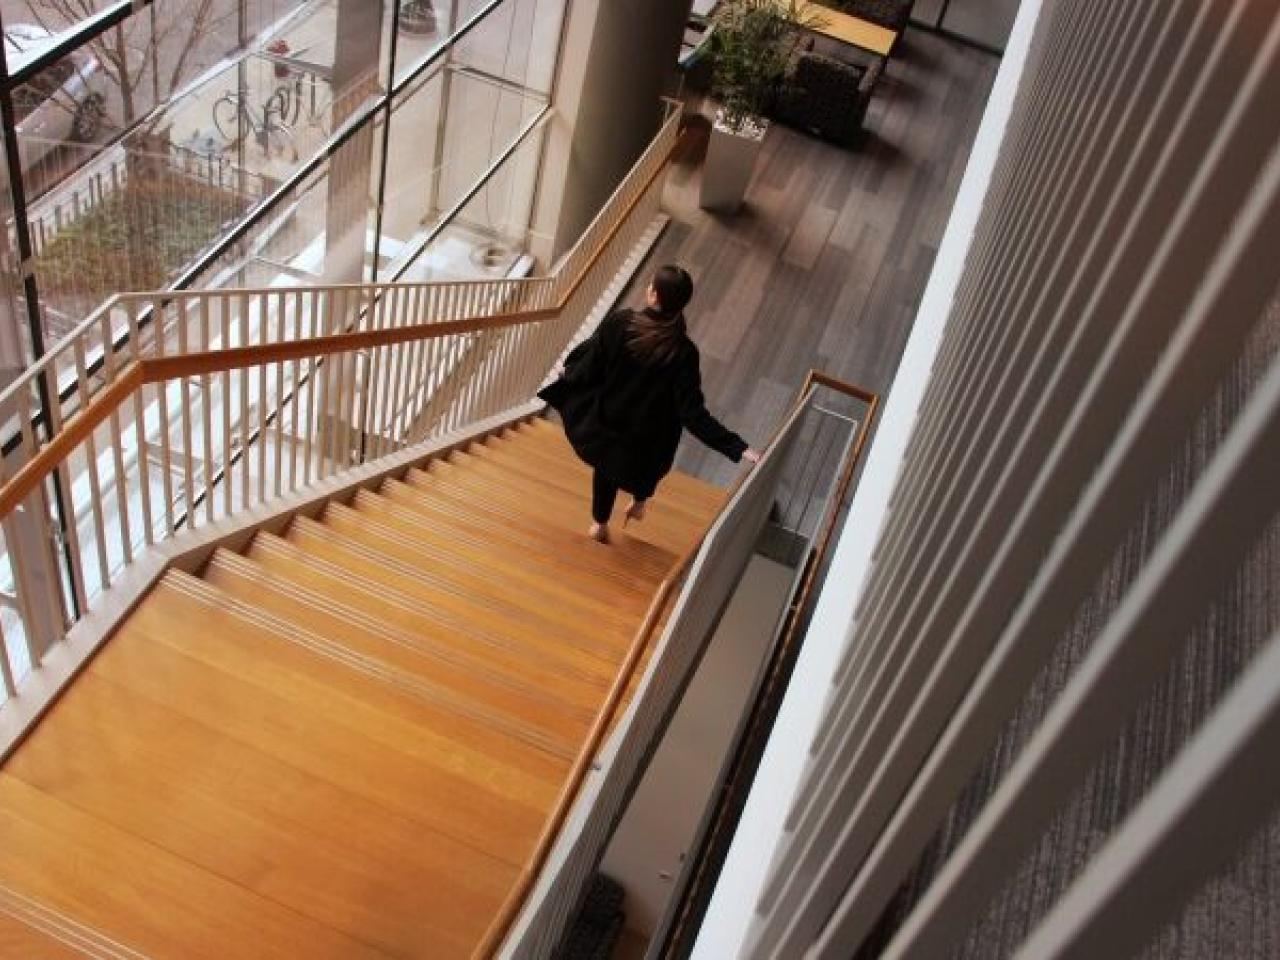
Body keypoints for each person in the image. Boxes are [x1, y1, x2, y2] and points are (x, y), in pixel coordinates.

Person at [538, 265, 762, 543]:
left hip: (610, 427)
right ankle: (640, 501)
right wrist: (738, 448)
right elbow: (693, 415)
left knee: (606, 469)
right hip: (650, 440)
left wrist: (568, 373)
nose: (648, 289)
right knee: (646, 468)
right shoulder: (684, 353)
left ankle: (600, 525)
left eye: (651, 286)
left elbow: (591, 364)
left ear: (654, 296)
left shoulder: (621, 323)